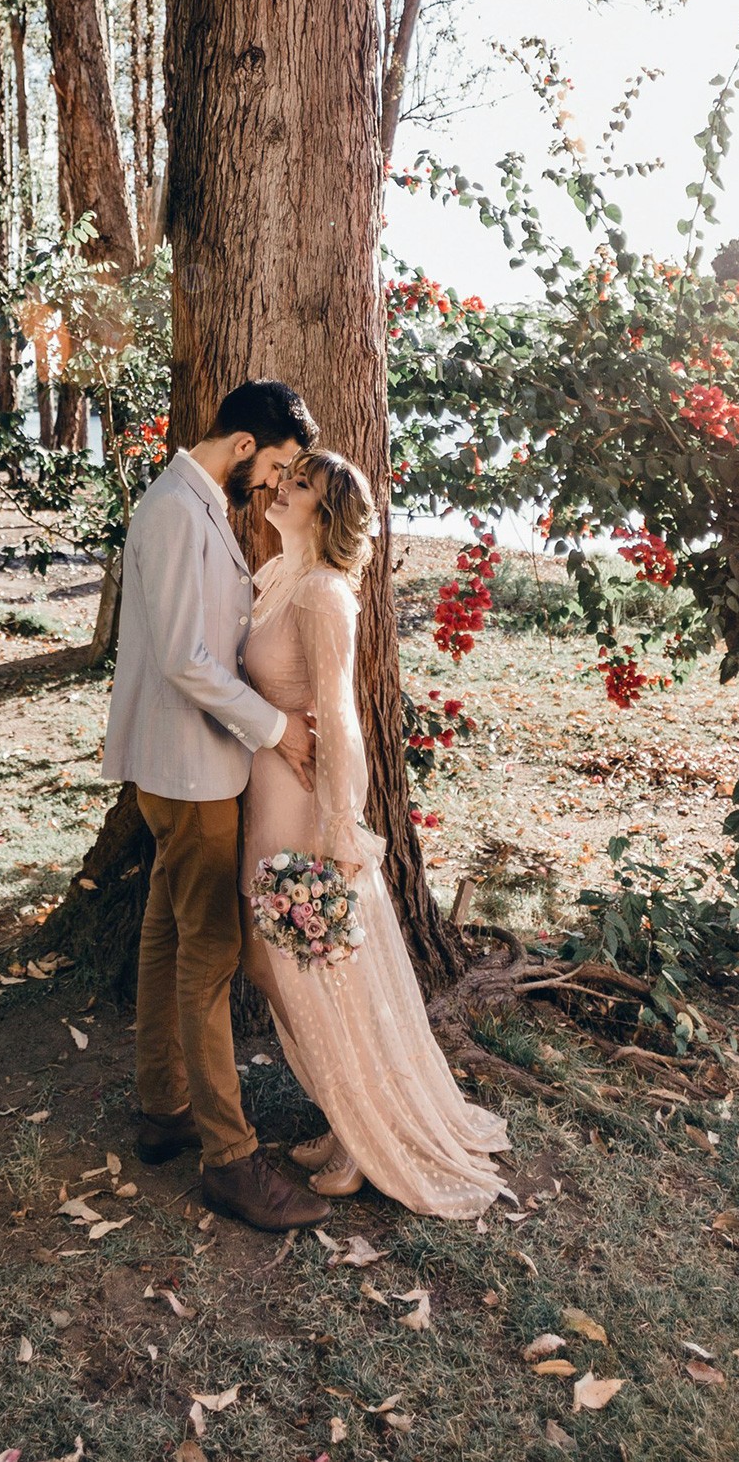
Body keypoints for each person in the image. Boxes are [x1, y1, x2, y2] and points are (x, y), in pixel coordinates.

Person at [241, 448, 509, 1217]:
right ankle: (344, 1113)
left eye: (300, 486)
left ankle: (364, 1135)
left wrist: (338, 822)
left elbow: (340, 712)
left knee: (319, 976)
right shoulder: (278, 576)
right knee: (273, 967)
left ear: (326, 515)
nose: (282, 487)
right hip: (264, 798)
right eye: (288, 476)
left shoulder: (324, 593)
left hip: (302, 809)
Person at [102, 379, 333, 1232]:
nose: (272, 484)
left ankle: (162, 1110)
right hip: (191, 770)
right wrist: (276, 727)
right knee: (212, 953)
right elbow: (185, 660)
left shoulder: (195, 502)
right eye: (273, 466)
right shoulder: (174, 511)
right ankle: (230, 1160)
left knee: (168, 933)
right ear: (244, 446)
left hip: (185, 764)